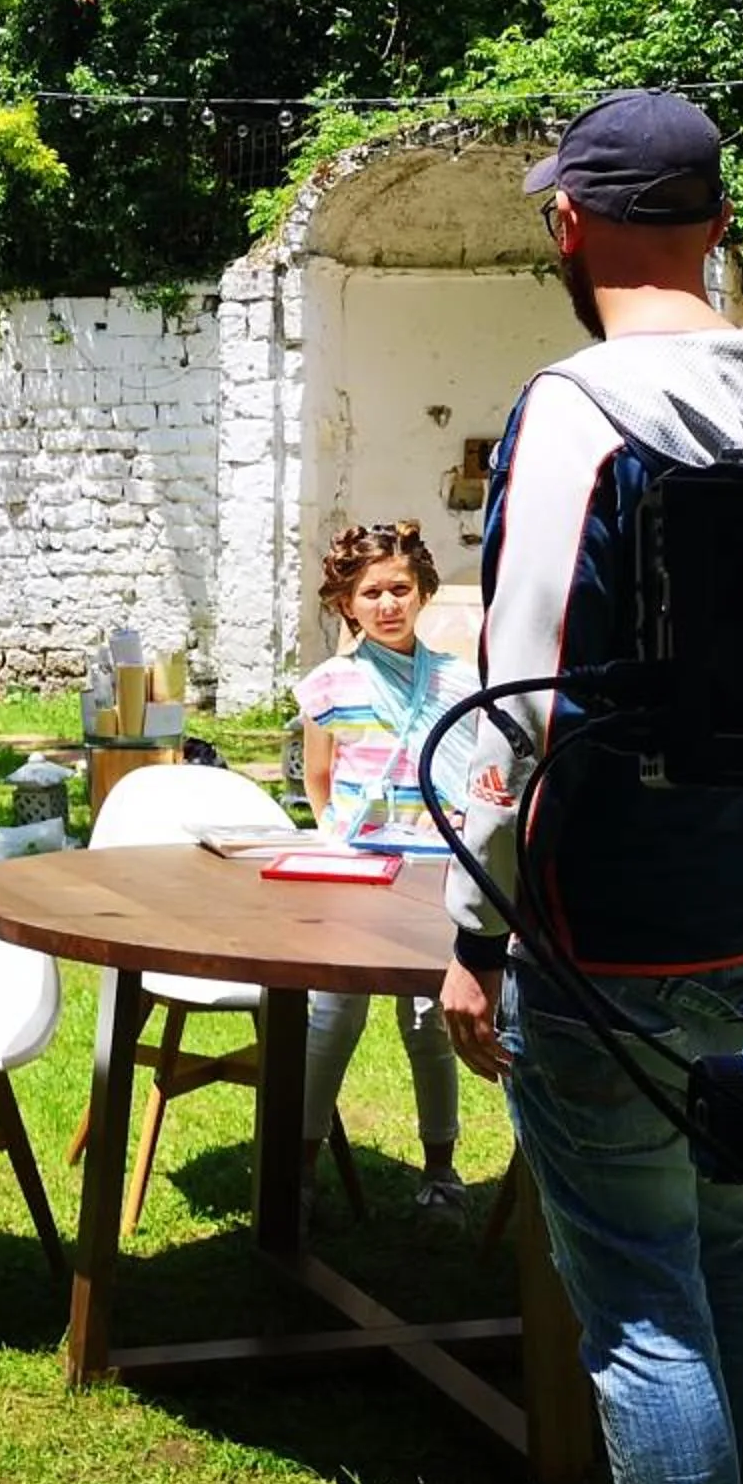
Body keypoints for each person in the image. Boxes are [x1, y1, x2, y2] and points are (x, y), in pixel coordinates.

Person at [436, 91, 743, 1484]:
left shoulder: (577, 406)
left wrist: (473, 929)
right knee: (734, 1252)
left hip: (602, 929)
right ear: (719, 221)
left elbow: (518, 701)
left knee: (643, 1301)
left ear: (569, 224)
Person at [294, 518, 474, 1216]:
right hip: (359, 877)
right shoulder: (330, 685)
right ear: (347, 603)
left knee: (431, 1023)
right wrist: (341, 838)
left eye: (400, 588)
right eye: (371, 592)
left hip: (437, 878)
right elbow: (319, 775)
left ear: (424, 591)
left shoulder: (460, 680)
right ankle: (299, 1169)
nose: (388, 604)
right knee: (330, 1020)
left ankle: (441, 1169)